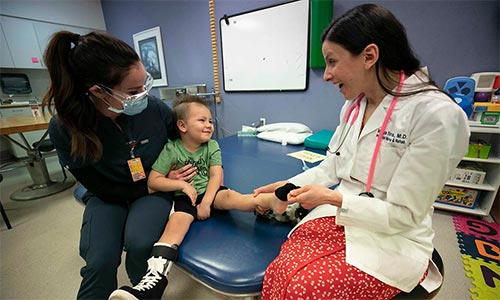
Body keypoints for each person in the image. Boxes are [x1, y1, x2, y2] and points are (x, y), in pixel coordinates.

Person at [253, 4, 470, 299]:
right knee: (280, 271)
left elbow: (404, 214)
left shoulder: (436, 116)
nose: (327, 75)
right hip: (341, 216)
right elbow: (334, 164)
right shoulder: (355, 105)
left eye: (332, 62)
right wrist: (289, 186)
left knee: (302, 289)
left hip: (394, 237)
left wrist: (332, 197)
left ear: (369, 56)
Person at [42, 31, 196, 299]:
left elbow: (181, 145)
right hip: (108, 194)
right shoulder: (66, 128)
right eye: (134, 91)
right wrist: (152, 185)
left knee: (141, 245)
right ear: (98, 92)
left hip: (152, 189)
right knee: (99, 261)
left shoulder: (154, 109)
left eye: (145, 83)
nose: (143, 95)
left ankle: (141, 293)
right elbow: (98, 186)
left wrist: (175, 170)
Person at [109, 95, 288, 300]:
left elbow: (215, 176)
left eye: (210, 121)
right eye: (202, 120)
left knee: (232, 197)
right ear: (182, 126)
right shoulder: (171, 149)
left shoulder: (211, 146)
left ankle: (269, 201)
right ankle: (153, 281)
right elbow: (153, 181)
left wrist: (206, 203)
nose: (209, 125)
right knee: (175, 225)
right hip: (185, 199)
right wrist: (181, 184)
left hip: (209, 194)